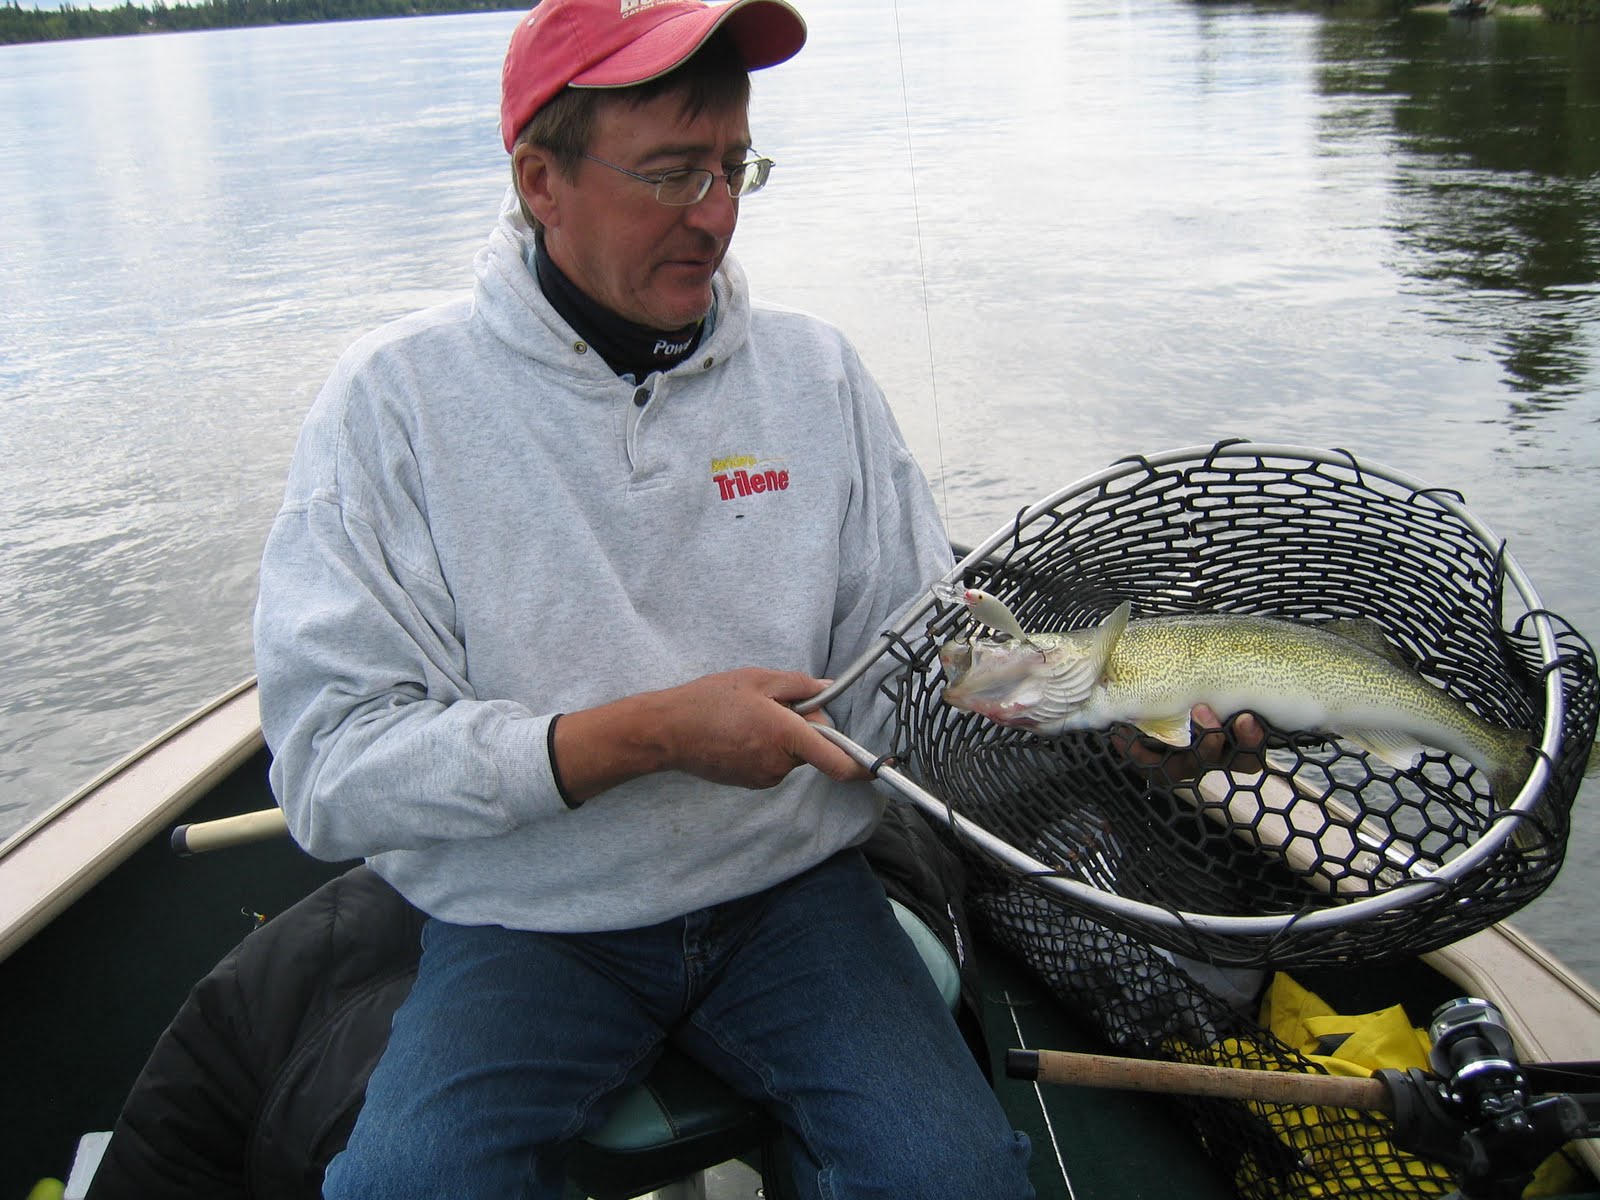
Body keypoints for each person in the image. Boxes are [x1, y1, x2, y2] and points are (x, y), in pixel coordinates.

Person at [252, 0, 1036, 1195]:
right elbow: (328, 772)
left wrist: (1128, 728)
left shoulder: (815, 375)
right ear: (540, 179)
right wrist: (646, 736)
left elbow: (914, 672)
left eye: (733, 168)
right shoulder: (394, 405)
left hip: (792, 895)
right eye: (672, 174)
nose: (715, 217)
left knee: (956, 1175)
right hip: (524, 923)